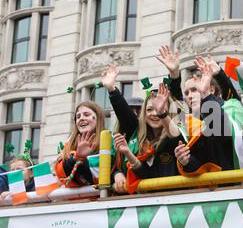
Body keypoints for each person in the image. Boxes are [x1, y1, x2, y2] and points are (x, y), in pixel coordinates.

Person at [102, 64, 184, 194]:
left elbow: (175, 134)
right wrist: (112, 89)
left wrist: (174, 75)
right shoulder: (138, 135)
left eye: (160, 109)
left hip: (176, 201)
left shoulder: (176, 134)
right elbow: (125, 114)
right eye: (149, 109)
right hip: (144, 203)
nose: (154, 113)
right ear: (143, 114)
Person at [55, 101, 107, 187]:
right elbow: (63, 175)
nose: (81, 118)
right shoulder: (68, 146)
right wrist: (77, 157)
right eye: (78, 117)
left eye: (86, 114)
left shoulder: (109, 141)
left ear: (98, 118)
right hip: (76, 199)